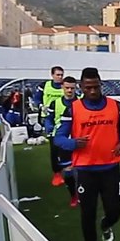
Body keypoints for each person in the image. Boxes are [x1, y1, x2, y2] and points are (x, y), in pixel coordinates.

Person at [54, 67, 120, 241]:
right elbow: (58, 138)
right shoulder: (74, 109)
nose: (93, 91)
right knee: (87, 213)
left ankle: (106, 225)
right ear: (81, 87)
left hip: (110, 168)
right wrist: (73, 143)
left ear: (100, 84)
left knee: (114, 211)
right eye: (88, 88)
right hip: (86, 171)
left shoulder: (116, 106)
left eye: (96, 87)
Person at [44, 76, 81, 208]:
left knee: (83, 169)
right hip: (62, 140)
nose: (69, 90)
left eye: (72, 88)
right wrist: (48, 126)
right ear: (62, 87)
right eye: (67, 88)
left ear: (76, 87)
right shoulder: (56, 103)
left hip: (79, 140)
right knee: (68, 170)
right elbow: (49, 118)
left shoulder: (82, 102)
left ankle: (84, 192)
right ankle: (74, 196)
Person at [41, 66, 66, 185]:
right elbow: (36, 98)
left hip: (65, 120)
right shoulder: (45, 85)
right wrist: (41, 106)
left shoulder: (65, 87)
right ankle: (57, 173)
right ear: (52, 75)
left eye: (61, 75)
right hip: (50, 119)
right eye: (58, 75)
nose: (60, 77)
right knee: (54, 149)